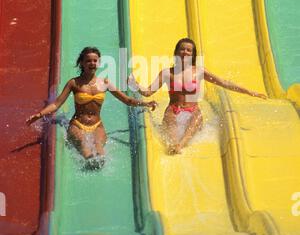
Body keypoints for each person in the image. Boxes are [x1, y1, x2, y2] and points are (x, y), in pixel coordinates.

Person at [129, 38, 267, 155]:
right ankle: (175, 144)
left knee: (196, 118)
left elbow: (224, 83)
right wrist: (134, 85)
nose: (185, 52)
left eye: (189, 50)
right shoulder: (167, 73)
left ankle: (181, 145)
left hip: (192, 110)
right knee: (170, 135)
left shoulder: (199, 72)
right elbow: (148, 92)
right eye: (182, 49)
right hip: (174, 110)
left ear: (193, 55)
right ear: (176, 52)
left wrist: (250, 92)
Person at [26, 47, 156, 169]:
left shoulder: (104, 83)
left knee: (99, 148)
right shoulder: (74, 83)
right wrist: (39, 114)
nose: (92, 63)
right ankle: (88, 161)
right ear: (81, 63)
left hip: (97, 125)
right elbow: (56, 104)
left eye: (95, 60)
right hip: (77, 125)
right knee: (84, 145)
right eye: (88, 61)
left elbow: (127, 100)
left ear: (99, 63)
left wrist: (145, 103)